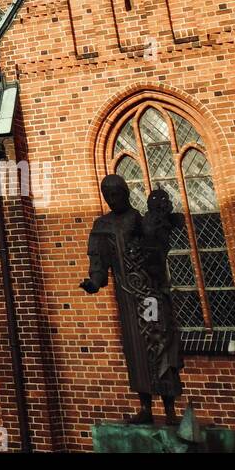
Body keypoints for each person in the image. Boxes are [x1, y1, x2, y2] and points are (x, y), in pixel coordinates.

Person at [79, 173, 184, 424]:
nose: (113, 199)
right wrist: (94, 281)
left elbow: (157, 249)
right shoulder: (101, 226)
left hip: (150, 296)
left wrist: (160, 226)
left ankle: (169, 409)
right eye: (109, 195)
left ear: (126, 193)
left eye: (117, 194)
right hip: (127, 299)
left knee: (160, 345)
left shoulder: (139, 220)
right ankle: (146, 407)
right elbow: (98, 259)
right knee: (136, 350)